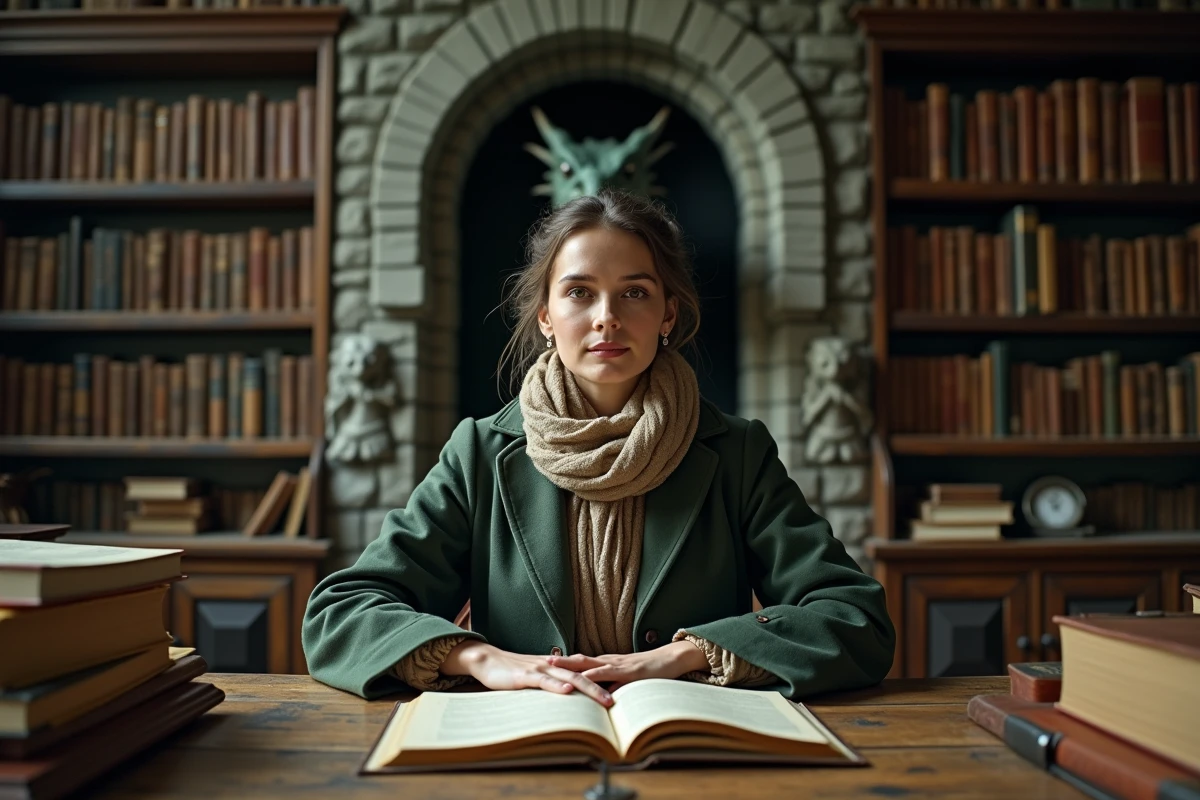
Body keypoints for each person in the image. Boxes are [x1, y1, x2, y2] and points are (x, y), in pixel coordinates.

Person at [302, 189, 895, 706]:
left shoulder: (737, 453)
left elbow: (855, 618)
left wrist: (689, 655)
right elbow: (341, 615)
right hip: (519, 751)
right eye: (579, 292)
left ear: (668, 313)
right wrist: (481, 659)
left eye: (634, 293)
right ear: (545, 316)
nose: (606, 318)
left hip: (689, 749)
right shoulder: (479, 453)